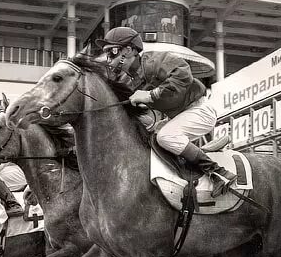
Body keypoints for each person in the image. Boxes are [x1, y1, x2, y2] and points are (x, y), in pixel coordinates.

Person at [94, 26, 236, 197]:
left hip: (199, 110)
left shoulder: (155, 61)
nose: (109, 58)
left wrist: (150, 95)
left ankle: (219, 173)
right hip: (179, 116)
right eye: (107, 53)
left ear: (129, 50)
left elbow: (183, 75)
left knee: (165, 137)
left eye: (113, 52)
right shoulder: (128, 81)